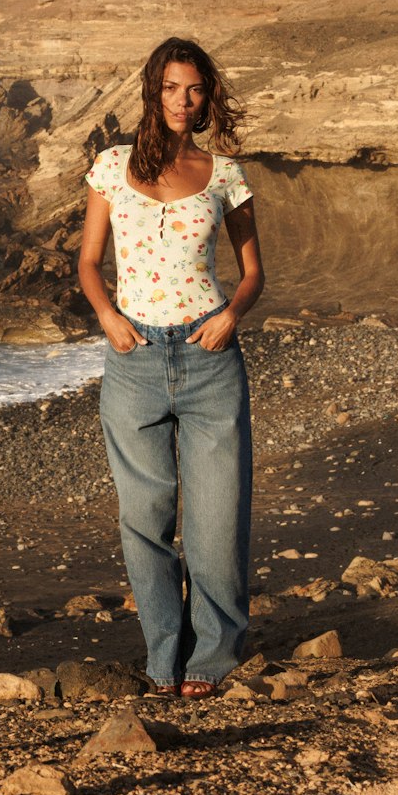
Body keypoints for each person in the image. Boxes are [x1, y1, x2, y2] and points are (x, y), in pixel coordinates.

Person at [76, 36, 264, 698]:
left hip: (211, 361)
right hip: (135, 361)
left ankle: (211, 658)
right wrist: (107, 316)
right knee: (144, 519)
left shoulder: (224, 174)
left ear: (207, 94)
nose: (184, 102)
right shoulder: (110, 167)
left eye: (195, 89)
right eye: (171, 89)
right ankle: (163, 659)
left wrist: (232, 314)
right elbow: (88, 262)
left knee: (217, 520)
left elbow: (252, 272)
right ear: (152, 92)